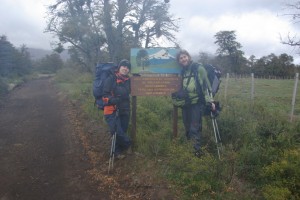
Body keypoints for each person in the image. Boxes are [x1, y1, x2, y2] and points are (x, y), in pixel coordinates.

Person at [176, 49, 215, 157]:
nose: (183, 59)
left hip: (196, 104)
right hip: (186, 104)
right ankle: (190, 150)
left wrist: (210, 100)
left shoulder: (198, 68)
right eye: (181, 58)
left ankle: (197, 154)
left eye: (184, 56)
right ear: (179, 61)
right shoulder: (182, 72)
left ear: (188, 57)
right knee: (187, 128)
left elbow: (206, 86)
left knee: (194, 128)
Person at [102, 59, 132, 159]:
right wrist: (113, 100)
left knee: (122, 130)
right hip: (111, 110)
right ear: (119, 67)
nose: (125, 68)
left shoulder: (128, 81)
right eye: (124, 66)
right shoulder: (111, 79)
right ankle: (128, 144)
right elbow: (104, 95)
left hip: (125, 109)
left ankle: (117, 152)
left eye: (128, 67)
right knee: (117, 132)